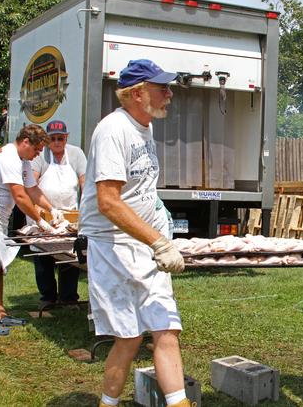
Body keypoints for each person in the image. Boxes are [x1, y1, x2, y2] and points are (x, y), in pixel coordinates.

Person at [79, 59, 191, 407]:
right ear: (138, 93)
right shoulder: (114, 130)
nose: (169, 94)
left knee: (166, 329)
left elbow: (138, 186)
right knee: (128, 338)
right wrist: (158, 242)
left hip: (144, 243)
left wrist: (157, 211)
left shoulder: (144, 126)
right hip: (112, 246)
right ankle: (107, 404)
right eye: (162, 88)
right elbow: (109, 202)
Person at [0, 125, 65, 336]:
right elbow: (19, 196)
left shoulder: (23, 162)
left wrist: (52, 209)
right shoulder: (8, 157)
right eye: (36, 150)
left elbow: (32, 190)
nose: (37, 154)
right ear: (25, 141)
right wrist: (41, 222)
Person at [30, 120, 87, 307]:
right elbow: (32, 184)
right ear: (47, 140)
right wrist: (38, 211)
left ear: (66, 137)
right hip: (45, 214)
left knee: (69, 256)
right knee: (43, 257)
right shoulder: (41, 156)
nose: (56, 142)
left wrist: (86, 207)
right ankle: (47, 297)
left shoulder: (76, 154)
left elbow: (84, 183)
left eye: (60, 138)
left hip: (68, 215)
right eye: (52, 138)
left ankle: (68, 297)